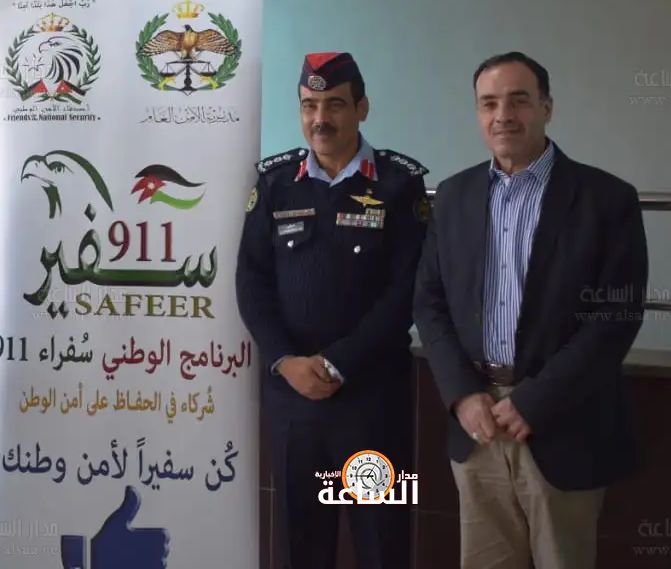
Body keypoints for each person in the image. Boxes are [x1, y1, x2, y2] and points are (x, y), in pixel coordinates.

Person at [413, 51, 648, 569]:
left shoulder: (606, 199)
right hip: (475, 425)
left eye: (519, 100)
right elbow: (428, 303)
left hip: (564, 422)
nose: (503, 115)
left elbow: (616, 317)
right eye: (489, 103)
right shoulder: (452, 197)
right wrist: (461, 394)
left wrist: (535, 400)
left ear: (547, 106)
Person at [235, 52, 429, 569]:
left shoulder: (398, 184)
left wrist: (338, 361)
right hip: (293, 399)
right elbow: (251, 280)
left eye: (335, 105)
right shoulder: (276, 183)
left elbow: (409, 288)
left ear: (362, 108)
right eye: (309, 105)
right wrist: (285, 360)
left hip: (373, 400)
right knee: (299, 545)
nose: (320, 118)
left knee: (383, 542)